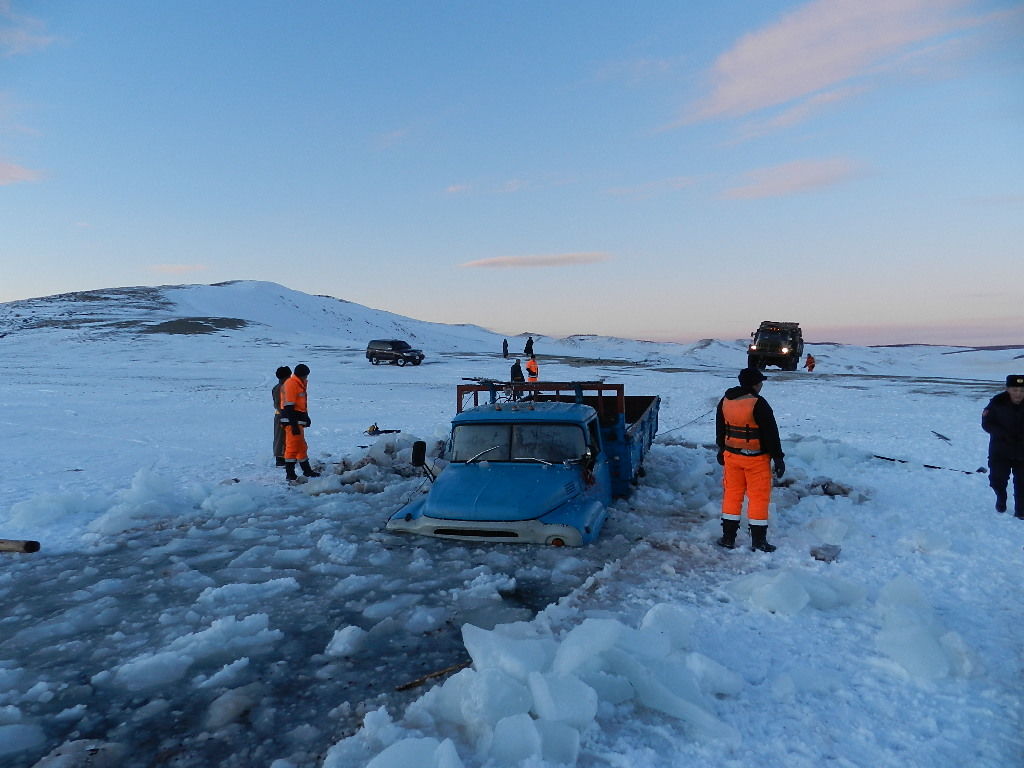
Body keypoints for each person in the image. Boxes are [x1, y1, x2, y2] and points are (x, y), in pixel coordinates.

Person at [715, 367, 785, 552]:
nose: (762, 385)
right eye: (760, 381)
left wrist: (721, 449)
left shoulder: (726, 400)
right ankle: (759, 542)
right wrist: (778, 458)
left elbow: (721, 429)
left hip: (732, 456)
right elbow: (771, 434)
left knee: (732, 495)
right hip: (756, 460)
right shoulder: (758, 403)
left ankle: (728, 538)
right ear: (755, 384)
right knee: (758, 499)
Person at [982, 374, 1024, 517]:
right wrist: (1002, 433)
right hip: (1001, 450)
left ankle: (1021, 511)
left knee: (1022, 482)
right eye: (1015, 390)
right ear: (1008, 389)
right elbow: (986, 423)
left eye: (1022, 391)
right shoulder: (997, 402)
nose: (1019, 394)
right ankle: (1001, 497)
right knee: (997, 479)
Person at [279, 363, 321, 482]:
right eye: (306, 376)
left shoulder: (299, 384)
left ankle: (307, 471)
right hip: (292, 421)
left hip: (298, 421)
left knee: (301, 447)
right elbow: (289, 407)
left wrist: (306, 417)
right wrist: (293, 425)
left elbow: (300, 404)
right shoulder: (291, 384)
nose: (306, 378)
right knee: (292, 448)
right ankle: (290, 474)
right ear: (302, 375)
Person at [272, 366, 291, 467]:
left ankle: (283, 457)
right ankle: (280, 458)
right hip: (282, 415)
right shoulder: (282, 388)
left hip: (281, 415)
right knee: (281, 437)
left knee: (282, 437)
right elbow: (280, 404)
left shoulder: (277, 387)